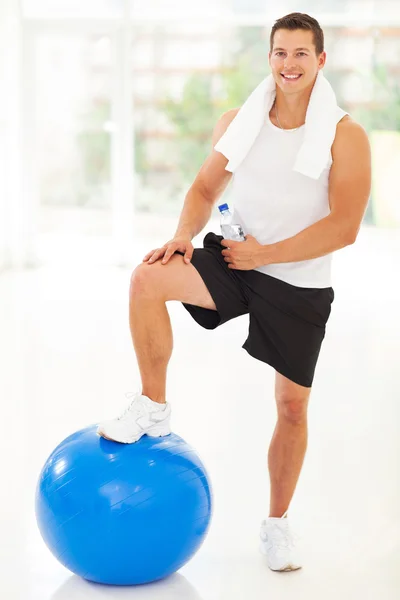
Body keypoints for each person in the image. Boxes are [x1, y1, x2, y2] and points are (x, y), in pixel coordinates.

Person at [97, 12, 371, 571]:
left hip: (299, 281)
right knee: (147, 278)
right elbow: (204, 186)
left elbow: (343, 226)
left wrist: (267, 255)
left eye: (300, 54)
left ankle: (276, 525)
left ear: (320, 61)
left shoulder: (347, 135)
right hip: (235, 257)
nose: (288, 64)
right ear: (268, 59)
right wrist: (181, 236)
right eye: (279, 53)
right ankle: (153, 405)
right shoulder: (238, 122)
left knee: (291, 407)